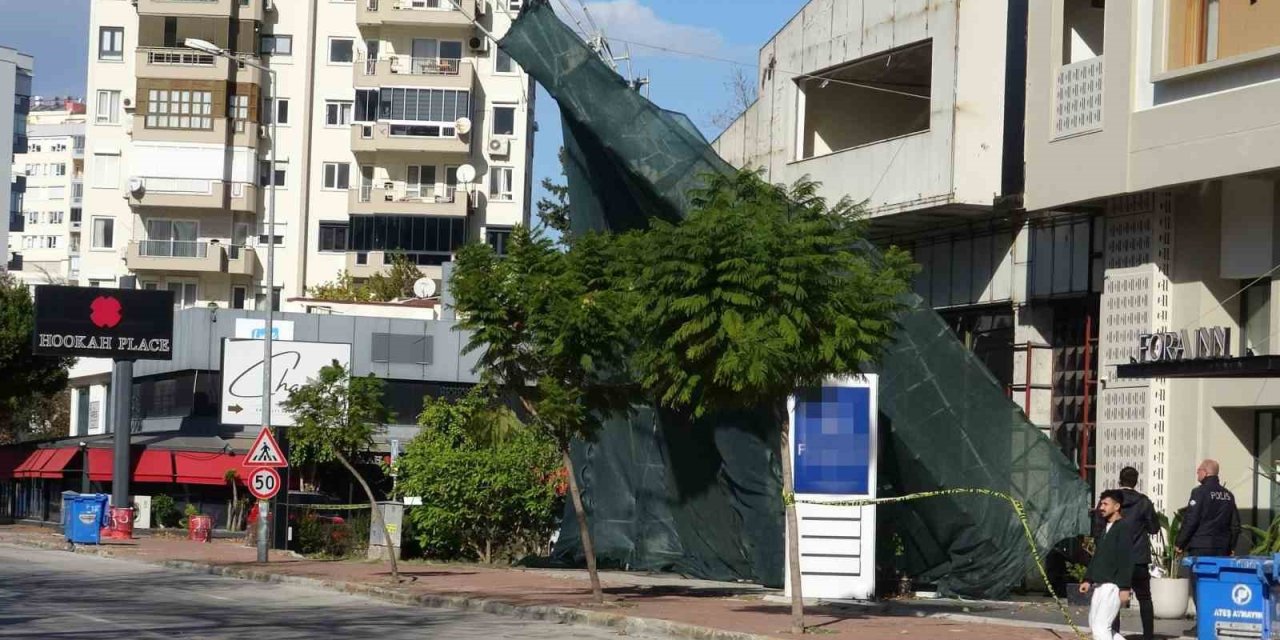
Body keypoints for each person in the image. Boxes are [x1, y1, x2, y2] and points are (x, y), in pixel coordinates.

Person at [1091, 467, 1157, 640]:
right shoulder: (1144, 502)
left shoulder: (1109, 501)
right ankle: (1148, 636)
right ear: (1136, 482)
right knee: (1145, 597)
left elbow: (1097, 529)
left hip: (1114, 561)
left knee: (1113, 599)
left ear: (1119, 480)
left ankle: (1114, 633)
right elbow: (1154, 528)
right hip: (1138, 556)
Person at [1082, 489, 1134, 640]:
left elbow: (1126, 559)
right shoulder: (1105, 529)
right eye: (1101, 504)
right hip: (1100, 584)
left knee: (1100, 627)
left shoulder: (1123, 528)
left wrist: (1124, 588)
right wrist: (1088, 579)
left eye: (1106, 504)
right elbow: (1098, 557)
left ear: (1117, 506)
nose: (1101, 507)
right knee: (1095, 625)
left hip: (1112, 586)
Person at [1175, 459, 1240, 558]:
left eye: (1199, 470)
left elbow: (1191, 520)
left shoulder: (1199, 492)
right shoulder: (1228, 495)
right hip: (1223, 547)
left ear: (1205, 472)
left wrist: (1180, 543)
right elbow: (1235, 525)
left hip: (1201, 546)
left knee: (1201, 573)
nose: (1197, 472)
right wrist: (1231, 546)